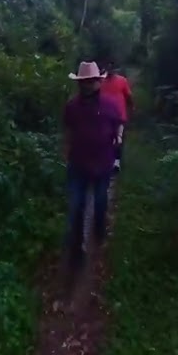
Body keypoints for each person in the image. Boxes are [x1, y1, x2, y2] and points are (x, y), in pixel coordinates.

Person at [62, 61, 123, 277]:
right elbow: (68, 131)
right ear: (80, 83)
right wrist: (66, 151)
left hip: (102, 163)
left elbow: (118, 126)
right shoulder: (72, 106)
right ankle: (77, 251)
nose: (88, 85)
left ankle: (99, 233)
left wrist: (117, 143)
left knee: (99, 201)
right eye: (84, 82)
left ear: (98, 82)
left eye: (91, 81)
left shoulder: (110, 105)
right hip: (78, 163)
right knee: (76, 207)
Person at [98, 62, 133, 174]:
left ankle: (115, 162)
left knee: (117, 138)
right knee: (110, 138)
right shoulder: (102, 81)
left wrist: (131, 106)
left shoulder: (121, 81)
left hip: (117, 115)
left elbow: (128, 96)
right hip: (107, 115)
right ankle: (110, 161)